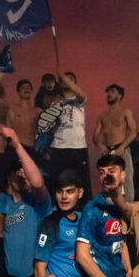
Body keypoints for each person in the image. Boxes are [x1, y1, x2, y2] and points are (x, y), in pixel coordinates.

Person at [0, 127, 52, 277]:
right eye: (18, 170)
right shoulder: (4, 202)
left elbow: (37, 183)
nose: (24, 173)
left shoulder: (37, 204)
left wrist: (17, 144)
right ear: (8, 176)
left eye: (26, 170)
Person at [76, 155, 130, 277]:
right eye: (101, 172)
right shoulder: (92, 208)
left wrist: (129, 270)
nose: (106, 176)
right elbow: (81, 255)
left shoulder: (124, 207)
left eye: (111, 171)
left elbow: (120, 241)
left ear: (122, 175)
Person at [92, 84, 138, 201]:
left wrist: (122, 147)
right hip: (107, 152)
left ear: (120, 95)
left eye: (112, 91)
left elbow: (133, 132)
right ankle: (110, 212)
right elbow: (95, 136)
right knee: (108, 183)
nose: (109, 94)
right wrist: (100, 144)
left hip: (122, 149)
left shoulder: (126, 111)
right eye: (108, 92)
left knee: (126, 182)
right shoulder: (103, 115)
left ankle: (128, 214)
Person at [49, 70, 90, 198]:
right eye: (65, 79)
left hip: (77, 147)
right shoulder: (55, 102)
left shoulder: (79, 100)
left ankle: (82, 211)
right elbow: (50, 126)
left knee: (80, 182)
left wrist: (62, 76)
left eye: (70, 79)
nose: (67, 81)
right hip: (58, 147)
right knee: (58, 182)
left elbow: (81, 93)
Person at [8, 79, 42, 151]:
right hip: (16, 148)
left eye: (28, 88)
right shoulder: (13, 107)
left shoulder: (38, 111)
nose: (26, 89)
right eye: (23, 88)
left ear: (32, 91)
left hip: (32, 148)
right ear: (18, 92)